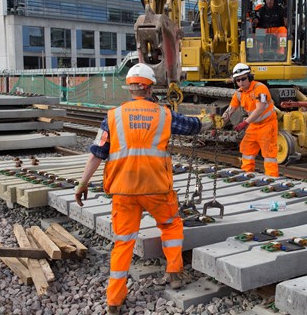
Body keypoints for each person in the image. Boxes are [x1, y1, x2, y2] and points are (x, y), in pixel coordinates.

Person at [74, 63, 214, 315]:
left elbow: (97, 154)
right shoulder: (163, 114)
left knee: (123, 242)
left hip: (123, 190)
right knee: (171, 225)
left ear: (130, 88)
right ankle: (174, 273)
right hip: (156, 187)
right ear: (150, 88)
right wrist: (209, 121)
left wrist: (83, 183)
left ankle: (114, 300)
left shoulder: (112, 117)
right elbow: (192, 126)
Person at [222, 63, 279, 177]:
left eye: (243, 79)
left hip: (267, 125)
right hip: (254, 125)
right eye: (238, 80)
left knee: (269, 155)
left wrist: (245, 122)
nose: (241, 82)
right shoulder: (239, 94)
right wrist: (219, 123)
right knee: (247, 151)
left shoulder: (260, 89)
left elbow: (260, 108)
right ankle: (247, 175)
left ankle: (272, 178)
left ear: (250, 77)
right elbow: (230, 110)